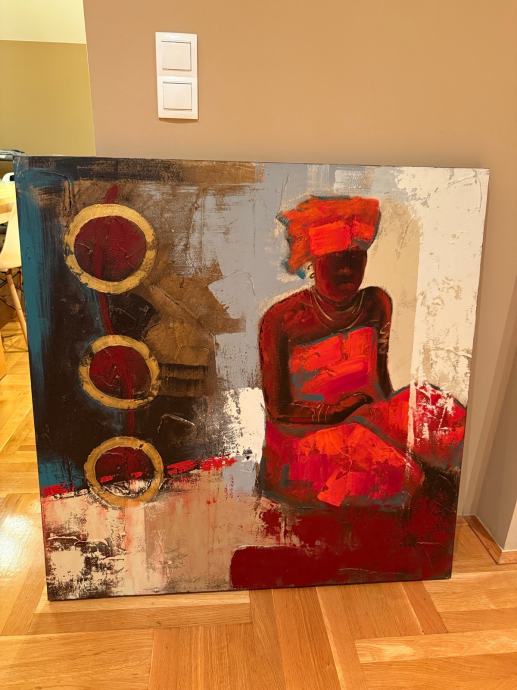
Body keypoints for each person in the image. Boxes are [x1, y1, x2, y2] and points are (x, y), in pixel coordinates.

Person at [257, 196, 464, 509]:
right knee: (396, 472)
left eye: (356, 257)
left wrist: (394, 425)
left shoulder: (376, 304)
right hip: (304, 439)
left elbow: (380, 385)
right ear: (314, 261)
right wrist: (339, 412)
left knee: (431, 408)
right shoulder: (281, 320)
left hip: (364, 417)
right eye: (335, 258)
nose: (347, 268)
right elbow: (279, 411)